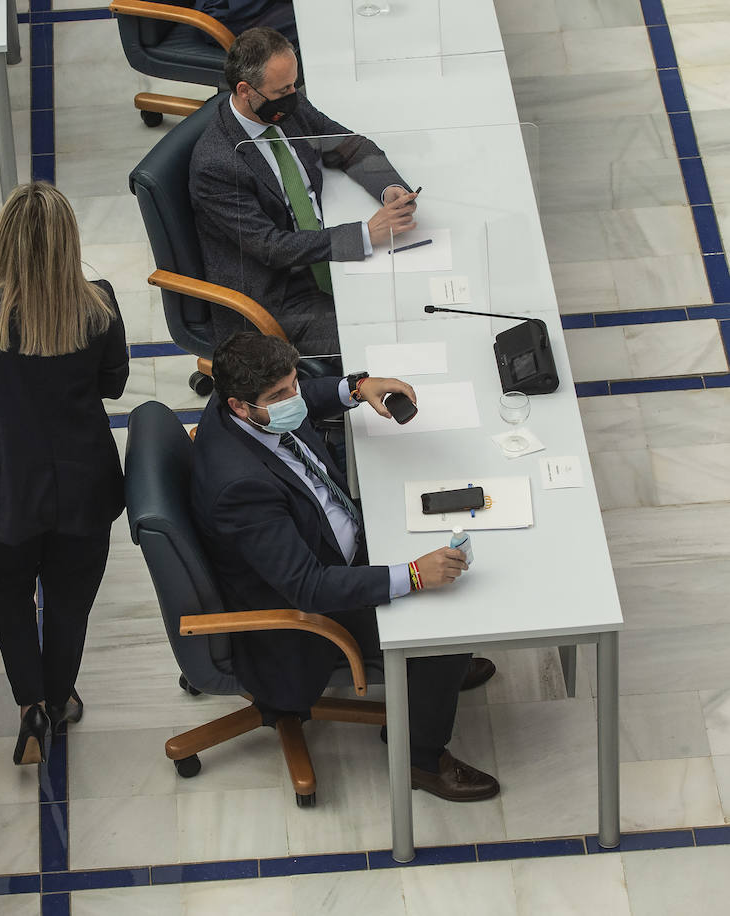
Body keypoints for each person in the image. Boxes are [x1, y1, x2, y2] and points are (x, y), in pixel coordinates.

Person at [189, 332, 500, 801]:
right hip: (307, 614)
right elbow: (309, 587)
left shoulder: (240, 411)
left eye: (293, 385)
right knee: (442, 625)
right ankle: (421, 757)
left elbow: (298, 396)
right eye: (280, 396)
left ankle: (431, 681)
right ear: (240, 405)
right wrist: (413, 575)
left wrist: (355, 388)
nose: (294, 399)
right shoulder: (240, 488)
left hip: (331, 543)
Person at [0, 182, 129, 767]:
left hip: (4, 492)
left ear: (3, 246)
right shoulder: (101, 303)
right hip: (84, 486)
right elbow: (113, 385)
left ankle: (30, 706)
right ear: (71, 243)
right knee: (70, 601)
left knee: (8, 595)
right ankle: (60, 691)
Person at [189, 27, 419, 354]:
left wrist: (389, 187)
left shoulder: (286, 106)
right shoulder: (216, 164)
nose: (293, 94)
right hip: (282, 291)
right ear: (245, 90)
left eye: (293, 84)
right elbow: (270, 247)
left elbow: (348, 146)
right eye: (282, 89)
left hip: (322, 249)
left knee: (413, 302)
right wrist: (364, 234)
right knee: (380, 337)